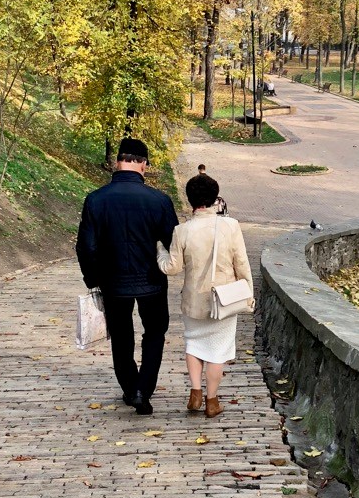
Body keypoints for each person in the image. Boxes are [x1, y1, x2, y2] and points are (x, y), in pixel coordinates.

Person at [76, 138, 179, 415]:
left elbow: (86, 246)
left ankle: (130, 387)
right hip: (152, 281)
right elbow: (174, 243)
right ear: (143, 165)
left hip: (113, 282)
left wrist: (92, 279)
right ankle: (143, 389)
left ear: (117, 162)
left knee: (122, 336)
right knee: (155, 333)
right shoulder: (159, 200)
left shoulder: (96, 200)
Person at [157, 174, 252, 419]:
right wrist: (248, 292)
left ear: (190, 200)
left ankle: (195, 393)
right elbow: (241, 262)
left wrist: (159, 249)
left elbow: (171, 268)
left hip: (194, 302)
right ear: (214, 199)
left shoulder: (182, 231)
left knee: (194, 345)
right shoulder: (231, 226)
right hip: (224, 300)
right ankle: (212, 401)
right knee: (218, 352)